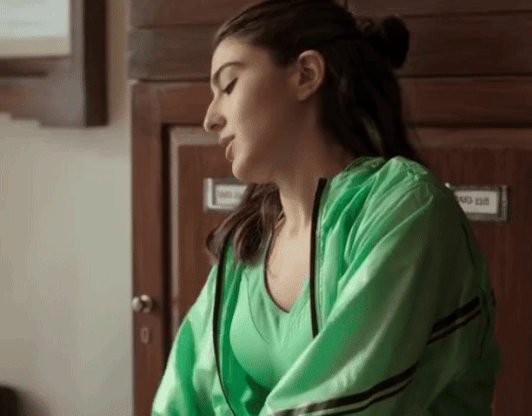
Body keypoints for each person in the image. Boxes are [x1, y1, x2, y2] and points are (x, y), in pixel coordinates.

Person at [152, 0, 503, 414]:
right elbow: (182, 395)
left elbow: (338, 402)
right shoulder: (248, 242)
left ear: (306, 74)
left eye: (228, 86)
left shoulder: (406, 206)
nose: (211, 118)